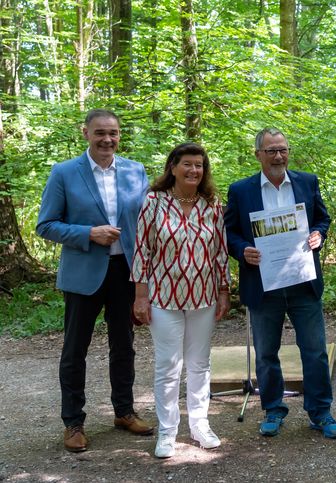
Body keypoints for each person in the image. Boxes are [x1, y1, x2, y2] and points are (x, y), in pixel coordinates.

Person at [36, 108, 153, 453]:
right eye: (100, 132)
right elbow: (46, 225)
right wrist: (89, 233)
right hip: (84, 273)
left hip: (125, 271)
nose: (107, 139)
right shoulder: (64, 173)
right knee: (75, 349)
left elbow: (148, 221)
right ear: (85, 132)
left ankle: (124, 411)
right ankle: (73, 422)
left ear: (120, 135)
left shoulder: (135, 171)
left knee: (124, 345)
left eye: (113, 133)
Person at [224, 127, 336, 439]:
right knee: (266, 353)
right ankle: (274, 409)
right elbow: (229, 233)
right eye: (271, 151)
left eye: (283, 149)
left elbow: (322, 218)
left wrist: (319, 234)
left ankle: (320, 412)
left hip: (303, 282)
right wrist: (241, 250)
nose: (278, 156)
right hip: (263, 285)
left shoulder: (307, 181)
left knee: (315, 350)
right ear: (258, 155)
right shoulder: (240, 190)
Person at [131, 142, 230, 458]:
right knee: (168, 365)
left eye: (199, 165)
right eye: (187, 164)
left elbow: (220, 253)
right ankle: (167, 432)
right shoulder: (153, 203)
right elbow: (142, 251)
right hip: (163, 298)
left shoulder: (212, 205)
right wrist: (141, 296)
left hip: (203, 297)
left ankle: (200, 426)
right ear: (172, 167)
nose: (194, 170)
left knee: (200, 364)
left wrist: (225, 290)